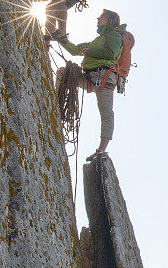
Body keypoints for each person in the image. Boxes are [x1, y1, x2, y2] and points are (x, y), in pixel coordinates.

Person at [57, 9, 134, 161]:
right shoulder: (99, 39)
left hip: (105, 77)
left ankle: (101, 150)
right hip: (91, 76)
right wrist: (62, 40)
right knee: (63, 72)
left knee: (106, 112)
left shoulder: (114, 36)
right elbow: (75, 50)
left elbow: (110, 54)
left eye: (102, 16)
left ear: (110, 20)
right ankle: (54, 102)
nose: (98, 18)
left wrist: (90, 51)